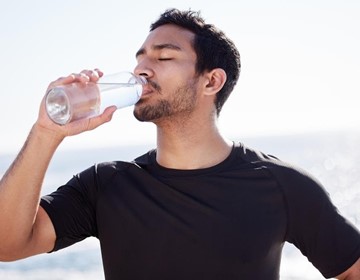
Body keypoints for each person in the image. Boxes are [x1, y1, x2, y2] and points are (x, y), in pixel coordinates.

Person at [0, 8, 359, 280]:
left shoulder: (282, 186)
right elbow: (7, 245)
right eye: (139, 57)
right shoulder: (104, 185)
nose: (142, 69)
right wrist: (47, 132)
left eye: (163, 56)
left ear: (211, 81)